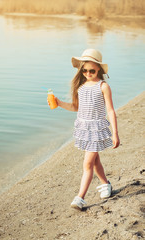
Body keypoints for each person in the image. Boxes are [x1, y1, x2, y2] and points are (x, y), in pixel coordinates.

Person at [48, 49, 120, 210]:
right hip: (84, 128)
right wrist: (59, 103)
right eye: (85, 70)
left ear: (99, 69)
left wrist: (115, 133)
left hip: (96, 128)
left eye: (92, 70)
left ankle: (80, 198)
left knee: (87, 163)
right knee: (95, 162)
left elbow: (110, 110)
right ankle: (105, 184)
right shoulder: (81, 87)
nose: (88, 73)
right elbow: (76, 107)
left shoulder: (103, 86)